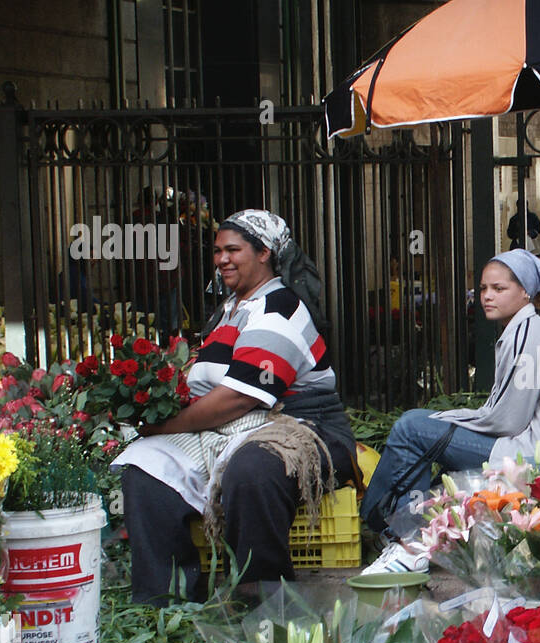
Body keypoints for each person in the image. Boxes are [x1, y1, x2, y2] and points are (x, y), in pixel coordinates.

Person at [114, 209, 358, 605]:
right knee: (144, 467)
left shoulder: (279, 307)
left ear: (264, 254)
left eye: (233, 250)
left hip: (301, 426)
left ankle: (260, 600)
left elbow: (238, 397)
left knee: (253, 468)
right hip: (231, 426)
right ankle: (166, 600)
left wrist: (161, 426)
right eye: (217, 251)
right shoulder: (232, 306)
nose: (222, 259)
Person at [360, 249, 540, 541]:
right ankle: (402, 529)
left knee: (411, 428)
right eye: (484, 288)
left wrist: (449, 419)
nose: (487, 296)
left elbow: (507, 420)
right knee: (418, 428)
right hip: (521, 444)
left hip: (532, 452)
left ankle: (391, 526)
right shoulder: (521, 329)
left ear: (526, 292)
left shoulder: (528, 333)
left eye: (499, 289)